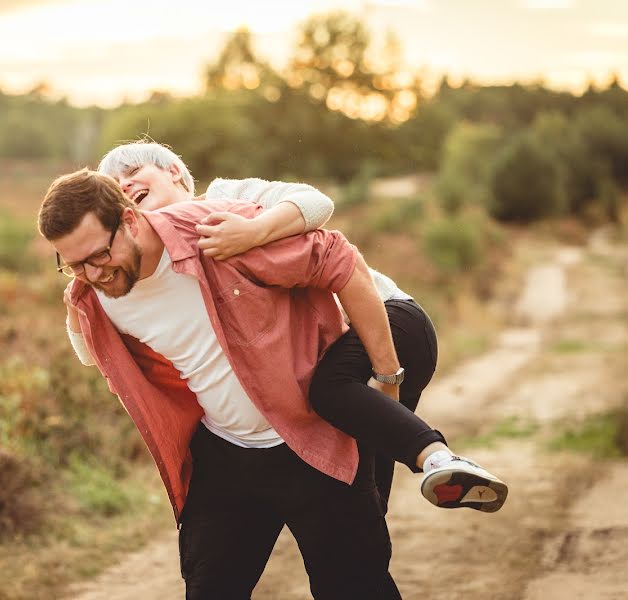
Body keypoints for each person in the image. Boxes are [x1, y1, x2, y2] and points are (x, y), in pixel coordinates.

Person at [38, 169, 494, 597]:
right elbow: (90, 350)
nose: (94, 274)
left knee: (355, 587)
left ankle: (432, 456)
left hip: (310, 443)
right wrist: (77, 301)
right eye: (74, 264)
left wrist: (386, 375)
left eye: (100, 255)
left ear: (131, 220)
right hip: (224, 458)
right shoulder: (92, 291)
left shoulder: (215, 235)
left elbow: (341, 261)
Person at [72, 141, 507, 510]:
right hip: (353, 350)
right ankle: (442, 476)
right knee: (365, 496)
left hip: (388, 318)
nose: (125, 184)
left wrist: (254, 231)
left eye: (133, 171)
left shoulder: (227, 195)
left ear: (174, 172)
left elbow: (318, 204)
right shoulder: (163, 263)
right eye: (116, 186)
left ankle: (439, 457)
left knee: (329, 390)